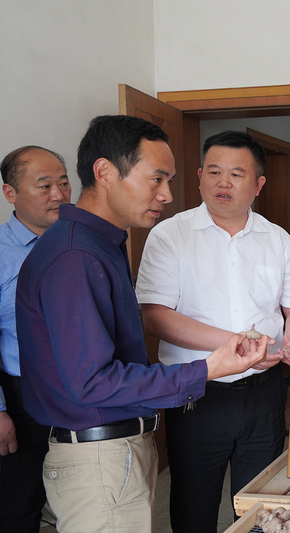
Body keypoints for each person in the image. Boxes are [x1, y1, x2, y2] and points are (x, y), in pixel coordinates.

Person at [15, 115, 270, 533]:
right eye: (156, 179)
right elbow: (91, 383)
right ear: (105, 172)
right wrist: (207, 369)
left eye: (168, 180)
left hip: (117, 451)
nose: (166, 194)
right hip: (99, 459)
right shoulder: (76, 256)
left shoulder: (101, 245)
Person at [135, 130, 290, 533]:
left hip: (264, 393)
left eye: (236, 174)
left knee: (261, 507)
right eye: (214, 172)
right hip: (197, 393)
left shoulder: (276, 238)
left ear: (258, 184)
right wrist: (235, 346)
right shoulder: (170, 235)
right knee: (193, 505)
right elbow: (155, 316)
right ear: (200, 176)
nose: (223, 182)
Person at [0, 146, 71, 532]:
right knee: (20, 504)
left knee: (83, 501)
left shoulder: (81, 242)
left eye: (64, 182)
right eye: (45, 186)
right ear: (10, 193)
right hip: (21, 399)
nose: (58, 194)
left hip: (80, 392)